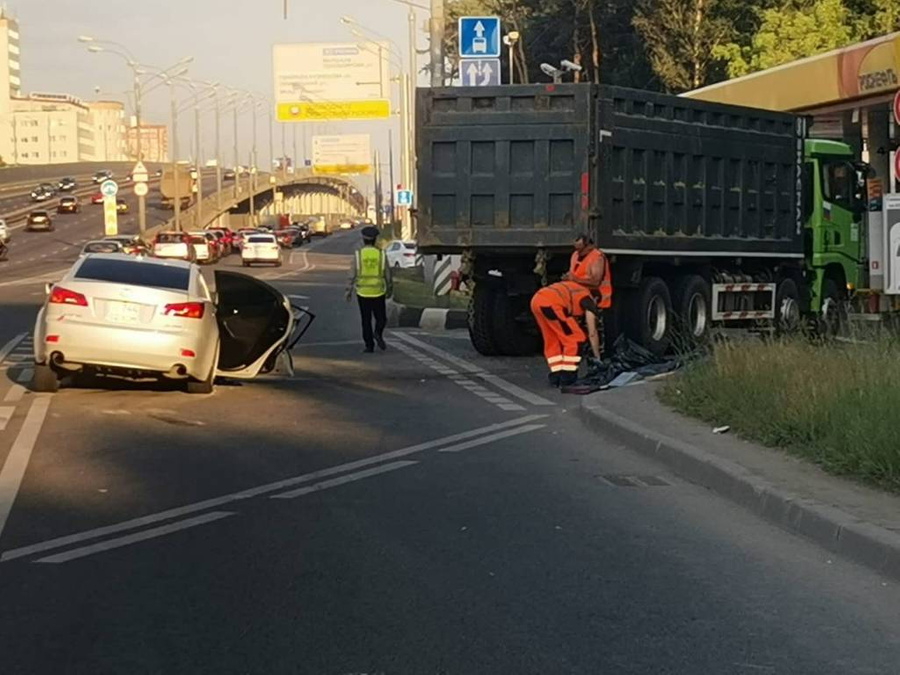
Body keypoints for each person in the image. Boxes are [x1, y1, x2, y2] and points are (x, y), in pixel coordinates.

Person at [530, 280, 602, 388]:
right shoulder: (587, 299)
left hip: (537, 301)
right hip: (552, 305)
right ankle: (568, 376)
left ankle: (556, 375)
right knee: (576, 339)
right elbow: (592, 332)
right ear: (595, 299)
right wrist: (597, 357)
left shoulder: (576, 289)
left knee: (552, 338)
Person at [562, 234, 612, 362]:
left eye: (580, 248)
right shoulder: (575, 255)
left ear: (588, 245)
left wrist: (575, 279)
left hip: (595, 298)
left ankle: (597, 357)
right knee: (577, 329)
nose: (578, 251)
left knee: (593, 330)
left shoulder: (597, 257)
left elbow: (596, 281)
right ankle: (582, 354)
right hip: (579, 298)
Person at [346, 226, 393, 353]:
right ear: (375, 239)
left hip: (362, 292)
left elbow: (352, 273)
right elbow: (387, 273)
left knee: (365, 320)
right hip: (378, 291)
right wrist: (389, 288)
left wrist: (348, 290)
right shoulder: (381, 254)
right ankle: (377, 333)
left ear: (363, 239)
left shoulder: (359, 255)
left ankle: (369, 345)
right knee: (381, 318)